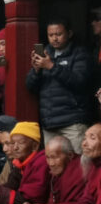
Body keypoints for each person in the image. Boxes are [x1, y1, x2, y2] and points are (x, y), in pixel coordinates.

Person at [26, 18, 92, 153]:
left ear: (69, 33)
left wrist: (51, 66)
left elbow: (79, 81)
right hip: (50, 122)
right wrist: (36, 71)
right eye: (51, 35)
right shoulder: (45, 54)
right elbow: (30, 87)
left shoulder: (79, 53)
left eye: (59, 34)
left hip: (73, 121)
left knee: (78, 164)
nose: (54, 38)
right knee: (53, 165)